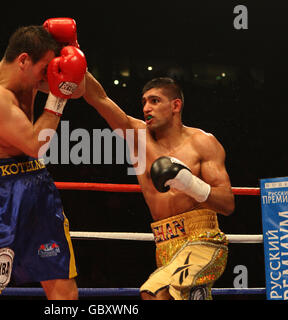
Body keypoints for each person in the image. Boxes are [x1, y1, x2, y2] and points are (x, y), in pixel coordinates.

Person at [0, 19, 87, 300]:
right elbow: (34, 145)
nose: (48, 77)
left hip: (38, 187)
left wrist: (72, 50)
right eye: (45, 69)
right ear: (23, 60)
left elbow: (76, 88)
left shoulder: (29, 75)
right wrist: (56, 98)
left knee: (64, 289)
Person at [83, 72, 235, 300]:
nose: (146, 108)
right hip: (165, 244)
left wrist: (188, 183)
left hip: (204, 239)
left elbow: (227, 204)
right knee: (166, 294)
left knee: (155, 292)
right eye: (144, 102)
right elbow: (99, 98)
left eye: (154, 101)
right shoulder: (137, 137)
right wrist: (72, 51)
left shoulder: (203, 143)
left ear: (175, 105)